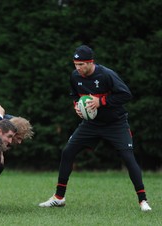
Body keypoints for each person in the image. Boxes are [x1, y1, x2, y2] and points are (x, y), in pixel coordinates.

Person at [38, 45, 152, 212]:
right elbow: (75, 95)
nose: (78, 68)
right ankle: (59, 197)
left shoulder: (106, 75)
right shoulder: (75, 76)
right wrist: (77, 106)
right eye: (75, 64)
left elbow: (126, 94)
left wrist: (101, 102)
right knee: (68, 151)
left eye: (81, 65)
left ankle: (143, 201)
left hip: (116, 124)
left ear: (91, 62)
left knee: (128, 157)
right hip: (91, 124)